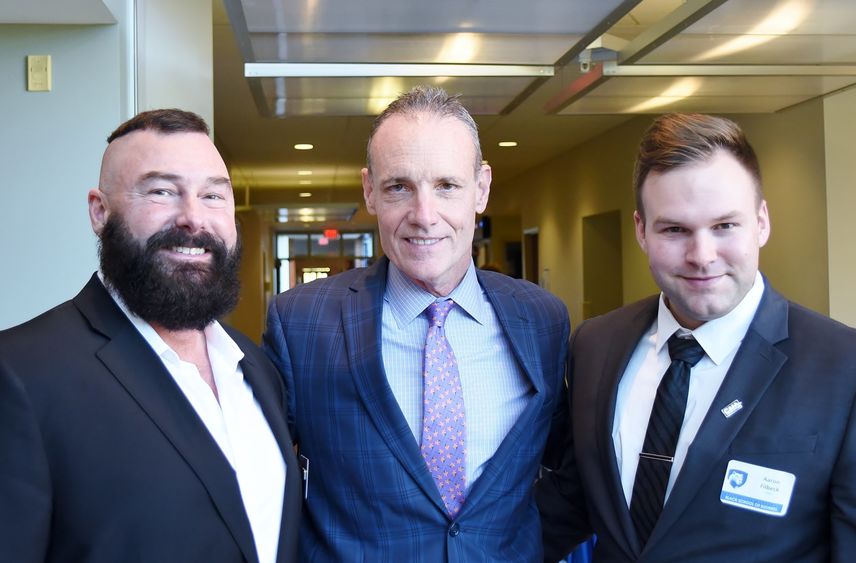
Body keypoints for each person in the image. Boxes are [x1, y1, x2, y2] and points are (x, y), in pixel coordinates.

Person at [264, 86, 570, 561]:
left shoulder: (542, 319)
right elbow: (260, 483)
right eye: (399, 187)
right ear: (369, 190)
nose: (424, 216)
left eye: (446, 186)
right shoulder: (300, 323)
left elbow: (570, 469)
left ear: (481, 188)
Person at [536, 113, 856, 562]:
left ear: (761, 222)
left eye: (725, 225)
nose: (702, 256)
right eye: (674, 229)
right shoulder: (595, 345)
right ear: (641, 231)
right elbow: (573, 501)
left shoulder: (842, 366)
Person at [0, 109, 301, 563]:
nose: (193, 218)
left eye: (214, 195)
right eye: (162, 191)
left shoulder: (256, 368)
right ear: (99, 212)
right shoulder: (20, 372)